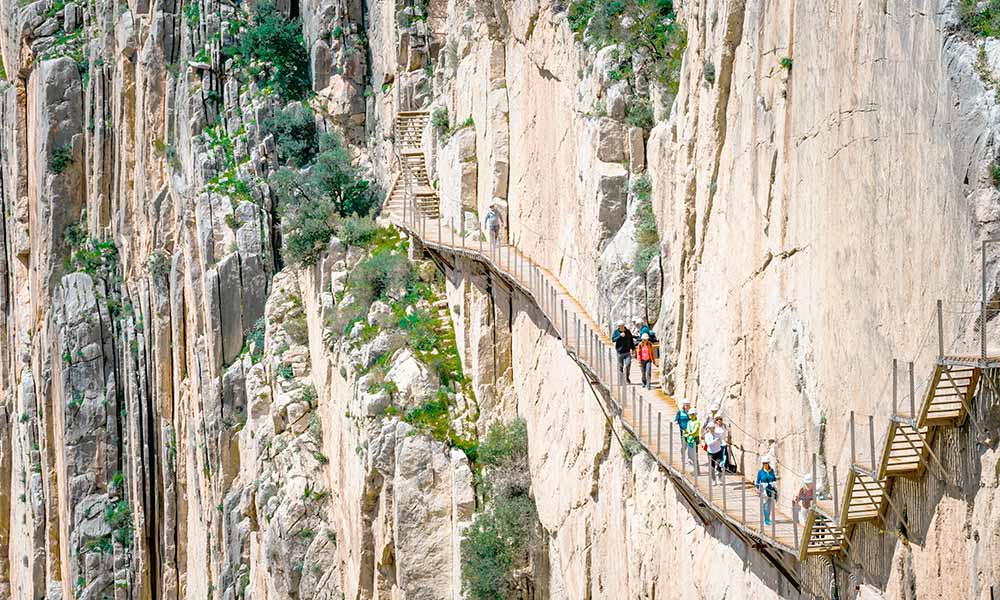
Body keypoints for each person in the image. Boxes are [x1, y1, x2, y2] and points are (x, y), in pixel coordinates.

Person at [756, 457, 778, 526]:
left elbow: (774, 479)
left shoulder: (771, 471)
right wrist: (758, 489)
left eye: (767, 463)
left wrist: (773, 483)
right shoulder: (760, 472)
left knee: (770, 505)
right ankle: (766, 520)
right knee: (765, 504)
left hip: (771, 489)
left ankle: (768, 518)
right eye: (764, 463)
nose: (765, 464)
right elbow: (757, 482)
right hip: (764, 490)